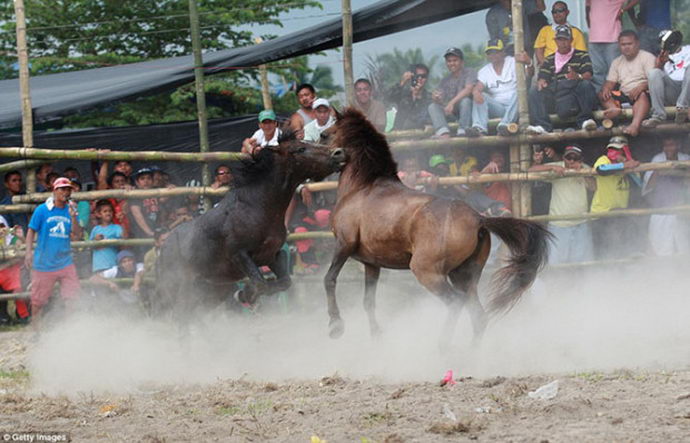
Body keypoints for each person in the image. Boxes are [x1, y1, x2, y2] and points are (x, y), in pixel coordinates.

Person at [24, 177, 83, 328]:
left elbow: (77, 236)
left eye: (68, 189)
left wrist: (74, 217)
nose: (66, 192)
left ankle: (69, 329)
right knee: (38, 301)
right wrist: (28, 252)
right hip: (44, 262)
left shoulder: (71, 210)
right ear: (54, 191)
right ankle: (36, 329)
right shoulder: (42, 210)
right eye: (62, 189)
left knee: (72, 297)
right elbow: (31, 231)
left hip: (65, 261)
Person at [529, 145, 596, 263]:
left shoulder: (585, 168)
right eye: (568, 157)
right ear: (563, 158)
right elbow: (531, 170)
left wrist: (581, 173)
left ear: (581, 160)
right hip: (558, 223)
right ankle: (558, 282)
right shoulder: (557, 167)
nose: (571, 161)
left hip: (581, 222)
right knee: (556, 263)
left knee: (583, 263)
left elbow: (593, 187)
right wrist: (552, 166)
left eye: (575, 158)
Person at [527, 25, 597, 134]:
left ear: (571, 40)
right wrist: (542, 82)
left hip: (574, 94)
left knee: (586, 85)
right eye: (559, 39)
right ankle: (542, 125)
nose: (562, 43)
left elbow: (588, 74)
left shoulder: (582, 55)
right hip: (556, 94)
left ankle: (585, 120)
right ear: (555, 41)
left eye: (565, 39)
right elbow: (543, 77)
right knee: (534, 91)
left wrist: (577, 76)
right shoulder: (549, 59)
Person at [590, 136, 640, 258]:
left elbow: (639, 184)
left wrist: (628, 163)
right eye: (612, 149)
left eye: (618, 150)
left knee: (621, 248)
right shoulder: (604, 160)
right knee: (604, 250)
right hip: (602, 213)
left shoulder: (628, 163)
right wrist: (623, 166)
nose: (614, 152)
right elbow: (601, 169)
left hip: (619, 212)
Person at [599, 30, 655, 137]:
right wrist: (606, 88)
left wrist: (641, 87)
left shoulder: (647, 57)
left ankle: (635, 125)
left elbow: (655, 79)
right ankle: (615, 109)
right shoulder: (617, 61)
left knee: (642, 95)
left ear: (637, 43)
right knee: (602, 93)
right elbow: (610, 82)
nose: (626, 47)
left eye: (629, 44)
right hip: (624, 94)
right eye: (623, 44)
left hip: (643, 93)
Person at [642, 136, 690, 256]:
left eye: (671, 145)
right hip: (661, 210)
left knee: (684, 247)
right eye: (666, 145)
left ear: (678, 146)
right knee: (661, 248)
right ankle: (664, 271)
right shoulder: (657, 160)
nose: (668, 148)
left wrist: (676, 172)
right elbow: (648, 188)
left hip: (681, 210)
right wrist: (659, 171)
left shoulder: (685, 158)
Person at [468, 39, 522, 137]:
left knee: (520, 92)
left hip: (515, 106)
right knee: (480, 95)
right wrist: (476, 92)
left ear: (503, 52)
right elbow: (478, 87)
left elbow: (529, 74)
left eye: (496, 52)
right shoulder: (485, 70)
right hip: (499, 108)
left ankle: (505, 125)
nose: (493, 55)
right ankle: (479, 128)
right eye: (489, 53)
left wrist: (528, 62)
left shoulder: (513, 62)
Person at [586, 0, 639, 90]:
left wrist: (623, 10)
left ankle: (614, 97)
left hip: (612, 39)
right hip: (594, 38)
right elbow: (587, 7)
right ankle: (600, 99)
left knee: (613, 72)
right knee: (597, 73)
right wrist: (588, 20)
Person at [643, 31, 690, 127]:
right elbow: (655, 77)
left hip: (688, 91)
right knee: (654, 73)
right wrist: (661, 63)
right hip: (673, 92)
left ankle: (683, 108)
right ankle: (658, 116)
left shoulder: (688, 49)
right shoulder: (662, 56)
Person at [428, 47, 477, 138]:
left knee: (465, 101)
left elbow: (468, 89)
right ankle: (443, 132)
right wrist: (436, 97)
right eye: (449, 61)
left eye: (455, 60)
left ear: (462, 62)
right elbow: (440, 99)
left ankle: (463, 130)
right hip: (452, 115)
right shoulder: (445, 80)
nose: (452, 63)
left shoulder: (470, 72)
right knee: (432, 106)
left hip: (468, 113)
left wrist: (451, 103)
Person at [533, 1, 587, 66]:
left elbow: (581, 55)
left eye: (560, 10)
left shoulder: (576, 32)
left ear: (567, 12)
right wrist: (546, 66)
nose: (557, 14)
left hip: (570, 69)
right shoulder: (545, 30)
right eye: (554, 12)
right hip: (549, 68)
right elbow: (539, 49)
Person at [0, 217, 29, 324]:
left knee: (18, 288)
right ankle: (3, 318)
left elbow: (25, 248)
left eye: (2, 226)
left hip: (12, 272)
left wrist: (21, 238)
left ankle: (23, 315)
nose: (0, 230)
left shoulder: (13, 239)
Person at [387, 64, 432, 130]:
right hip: (398, 134)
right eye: (417, 75)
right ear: (411, 77)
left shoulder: (429, 98)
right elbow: (386, 98)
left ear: (427, 78)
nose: (420, 78)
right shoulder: (402, 94)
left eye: (423, 76)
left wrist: (418, 97)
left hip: (420, 135)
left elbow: (427, 118)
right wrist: (402, 82)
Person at [129, 168, 159, 259]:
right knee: (144, 260)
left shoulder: (158, 192)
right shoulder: (135, 195)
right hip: (140, 235)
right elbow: (138, 215)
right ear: (137, 182)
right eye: (142, 179)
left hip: (157, 232)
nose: (146, 181)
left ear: (153, 181)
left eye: (148, 178)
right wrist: (150, 233)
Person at [89, 200, 123, 274]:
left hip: (113, 265)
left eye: (110, 211)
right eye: (105, 211)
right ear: (99, 214)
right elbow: (89, 247)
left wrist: (122, 221)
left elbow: (124, 237)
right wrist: (95, 240)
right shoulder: (95, 229)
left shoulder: (116, 227)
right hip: (98, 266)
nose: (108, 213)